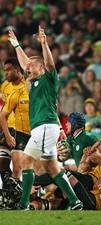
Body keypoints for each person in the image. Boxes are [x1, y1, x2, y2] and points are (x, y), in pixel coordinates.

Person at [8, 26, 82, 210]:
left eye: (32, 66)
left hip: (45, 126)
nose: (27, 68)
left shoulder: (49, 79)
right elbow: (27, 63)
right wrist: (16, 45)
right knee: (52, 167)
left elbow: (49, 64)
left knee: (26, 161)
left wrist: (44, 43)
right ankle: (75, 202)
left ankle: (24, 204)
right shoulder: (33, 82)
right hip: (43, 127)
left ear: (40, 68)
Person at [0, 58, 30, 198]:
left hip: (20, 130)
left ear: (17, 69)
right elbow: (3, 110)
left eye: (8, 70)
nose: (5, 73)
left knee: (17, 167)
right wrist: (6, 135)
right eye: (4, 70)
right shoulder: (5, 86)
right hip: (6, 129)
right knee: (2, 162)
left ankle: (16, 196)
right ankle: (8, 194)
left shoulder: (28, 86)